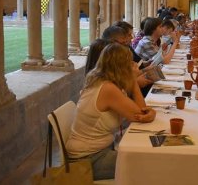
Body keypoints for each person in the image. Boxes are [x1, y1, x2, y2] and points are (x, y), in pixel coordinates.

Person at [66, 43, 156, 180]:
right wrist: (133, 80)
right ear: (121, 67)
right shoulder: (107, 89)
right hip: (88, 159)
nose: (134, 63)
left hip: (95, 151)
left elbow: (141, 112)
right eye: (129, 61)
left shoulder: (99, 80)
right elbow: (142, 114)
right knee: (147, 164)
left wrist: (149, 112)